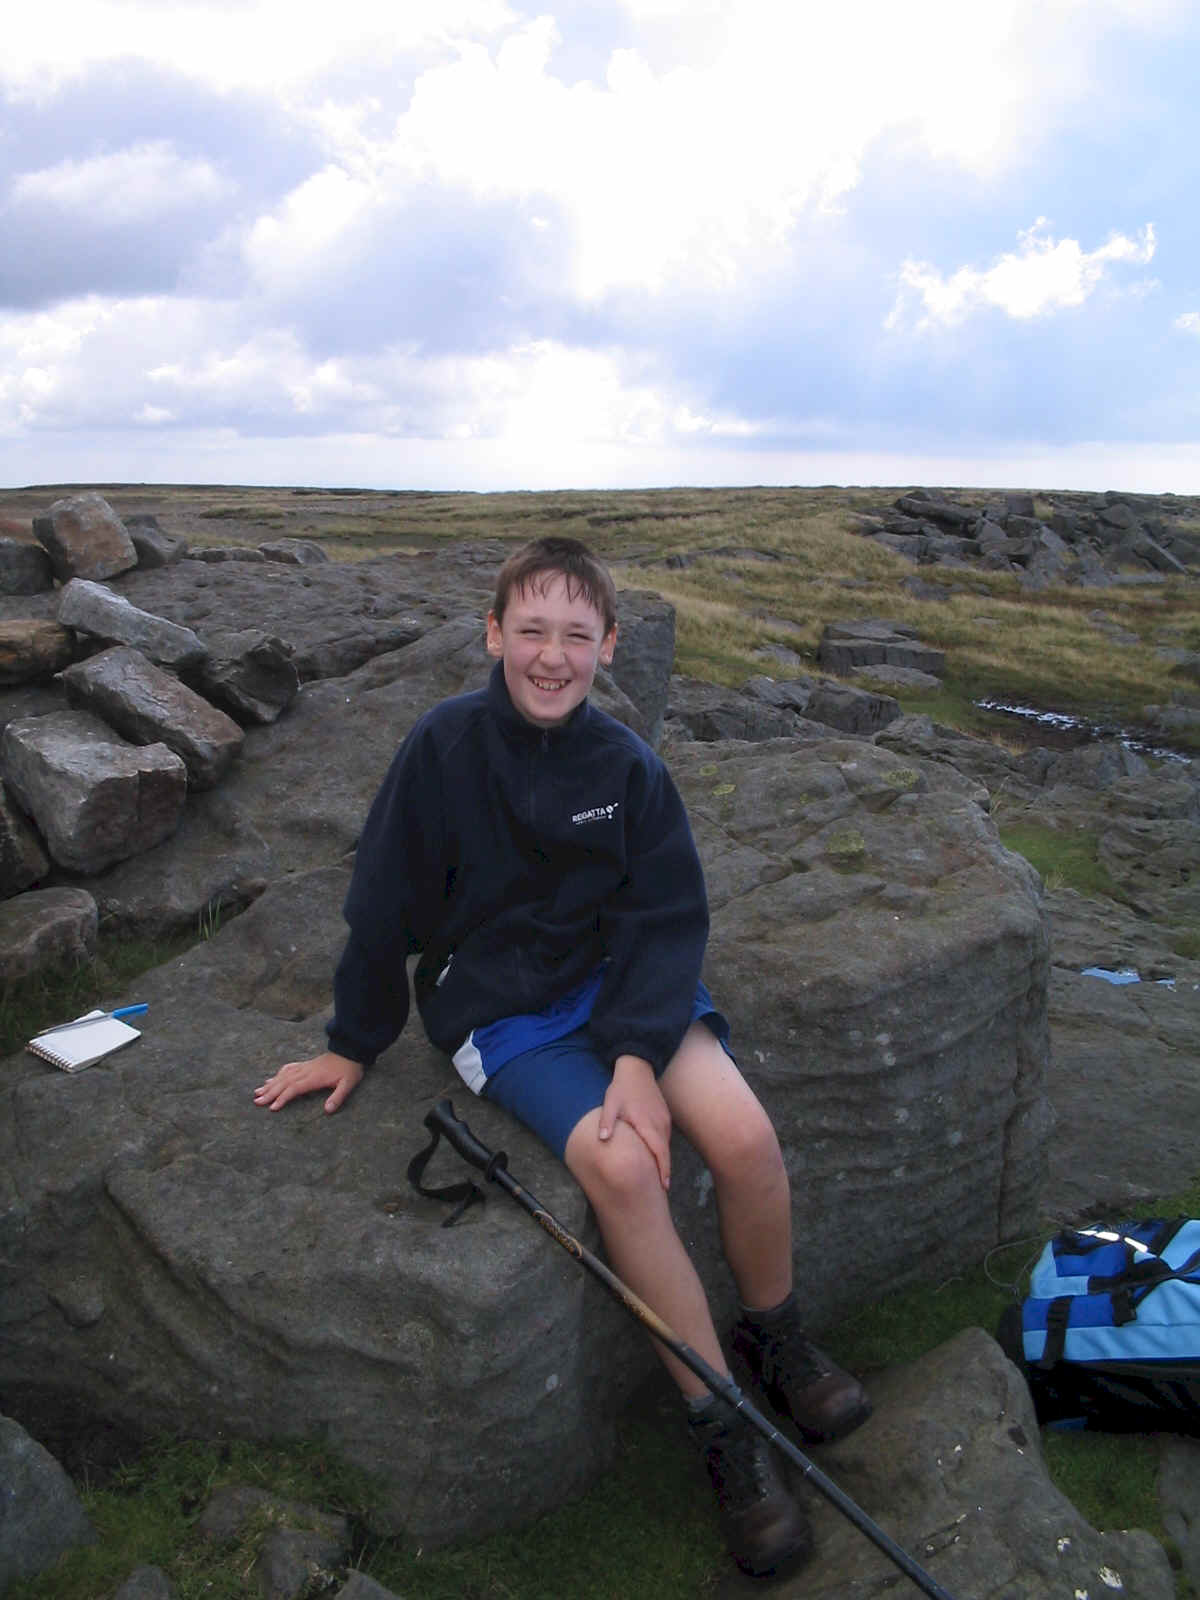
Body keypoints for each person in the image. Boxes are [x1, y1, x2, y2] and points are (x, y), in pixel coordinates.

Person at [253, 536, 870, 1577]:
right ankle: (724, 1428)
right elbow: (380, 906)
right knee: (622, 1164)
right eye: (530, 630)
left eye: (575, 636)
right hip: (504, 1013)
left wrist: (635, 1052)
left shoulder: (627, 765)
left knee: (747, 1138)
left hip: (627, 982)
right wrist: (353, 1041)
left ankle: (775, 1337)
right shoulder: (441, 747)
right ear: (492, 632)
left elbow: (667, 917)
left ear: (609, 646)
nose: (551, 656)